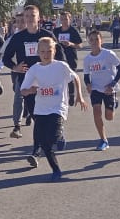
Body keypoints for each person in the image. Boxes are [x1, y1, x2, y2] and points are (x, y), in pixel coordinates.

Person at [21, 37, 87, 180]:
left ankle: (60, 136)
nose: (46, 54)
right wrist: (30, 90)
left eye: (49, 51)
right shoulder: (34, 69)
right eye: (43, 51)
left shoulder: (61, 66)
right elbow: (23, 90)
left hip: (58, 108)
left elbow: (75, 77)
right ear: (38, 52)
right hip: (40, 110)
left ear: (54, 51)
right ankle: (56, 170)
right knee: (44, 143)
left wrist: (79, 96)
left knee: (51, 139)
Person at [1, 4, 55, 139]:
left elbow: (60, 55)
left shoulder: (46, 35)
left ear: (39, 18)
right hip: (27, 79)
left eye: (33, 15)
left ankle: (54, 134)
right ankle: (43, 138)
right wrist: (15, 67)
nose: (30, 18)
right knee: (33, 110)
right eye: (27, 16)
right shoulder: (18, 37)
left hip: (46, 79)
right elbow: (6, 58)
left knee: (49, 110)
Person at [82, 30, 120, 150]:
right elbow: (86, 75)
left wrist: (112, 84)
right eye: (92, 40)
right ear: (88, 42)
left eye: (96, 39)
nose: (94, 42)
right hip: (96, 88)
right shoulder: (87, 59)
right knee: (96, 112)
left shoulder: (108, 54)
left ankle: (114, 103)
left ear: (101, 40)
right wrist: (88, 84)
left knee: (109, 117)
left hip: (109, 88)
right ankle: (103, 140)